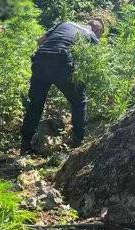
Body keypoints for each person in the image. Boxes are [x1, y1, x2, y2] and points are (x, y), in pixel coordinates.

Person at [20, 18, 104, 154]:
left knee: (35, 104)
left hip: (41, 58)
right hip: (62, 62)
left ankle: (25, 144)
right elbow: (94, 63)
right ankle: (77, 142)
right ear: (98, 31)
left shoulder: (66, 23)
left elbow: (40, 41)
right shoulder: (92, 36)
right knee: (79, 101)